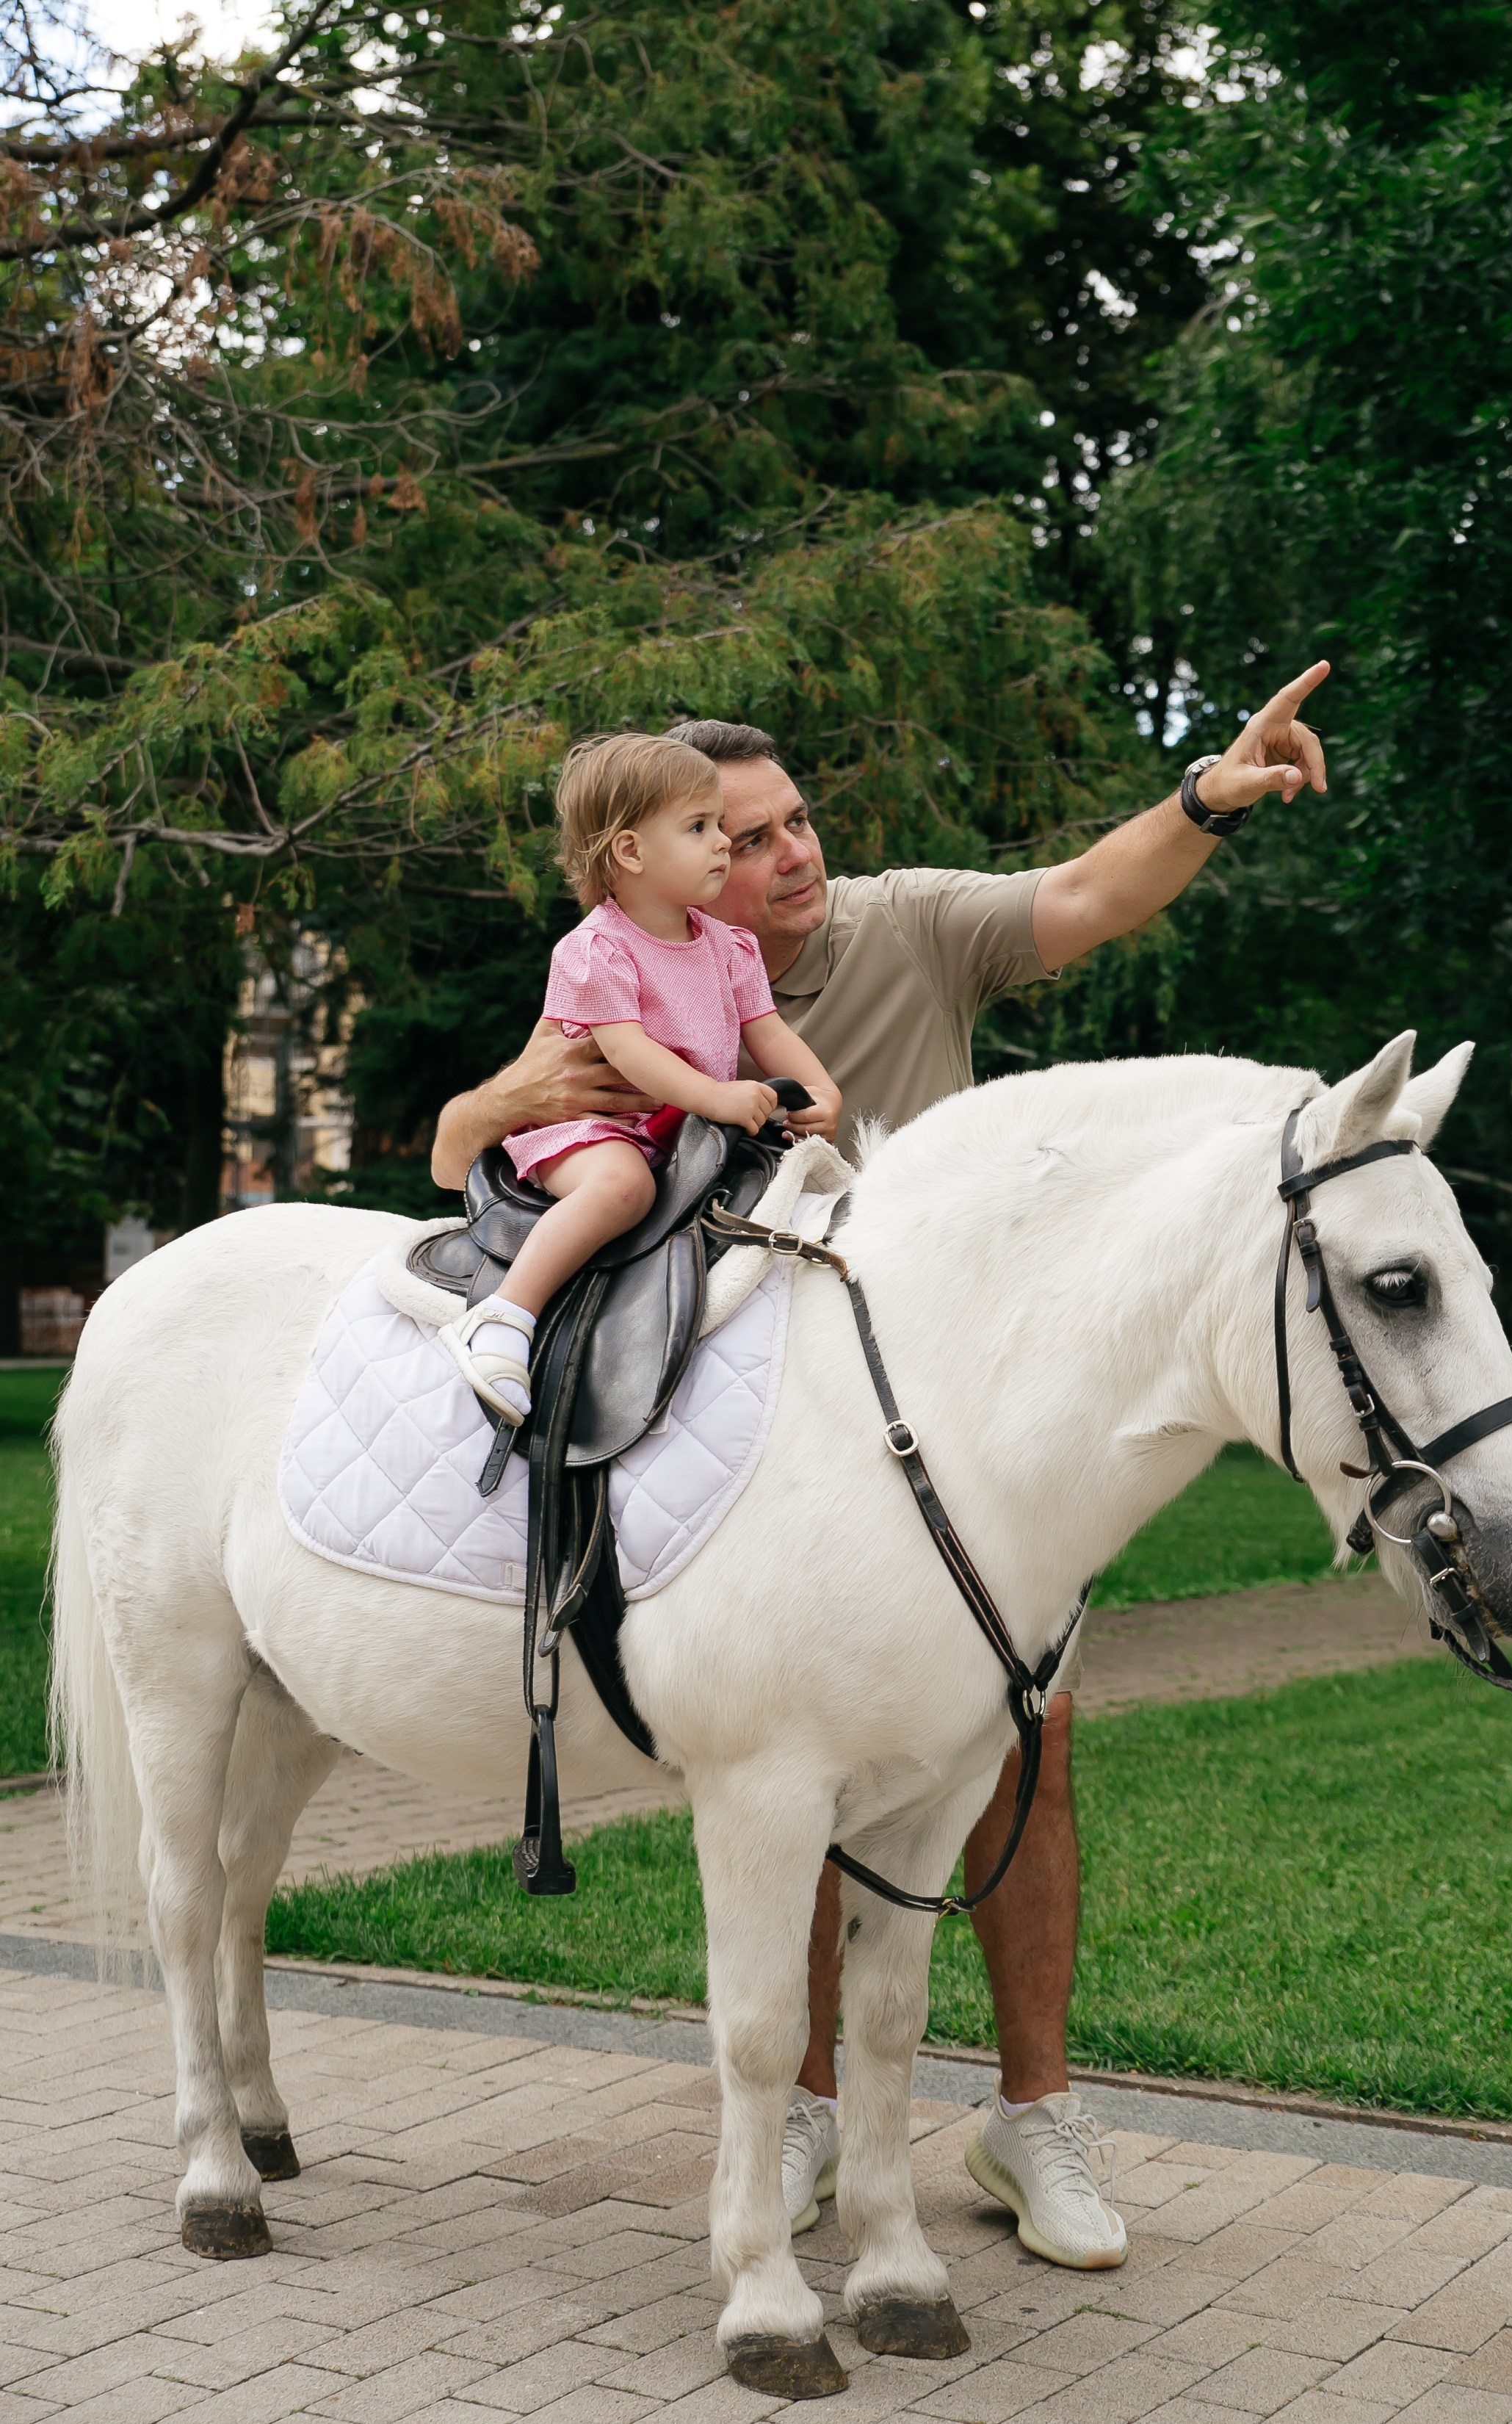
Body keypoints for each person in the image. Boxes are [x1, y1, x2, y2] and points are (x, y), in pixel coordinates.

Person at [432, 663, 1332, 2267]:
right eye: (742, 832)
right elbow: (476, 1149)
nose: (786, 854)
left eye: (793, 822)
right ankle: (799, 2111)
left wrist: (1202, 795)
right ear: (667, 846)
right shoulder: (632, 969)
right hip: (770, 1456)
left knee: (1025, 1760)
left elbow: (1079, 893)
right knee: (806, 1775)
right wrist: (501, 1096)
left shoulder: (902, 925)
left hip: (967, 1447)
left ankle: (1032, 2116)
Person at [439, 732, 839, 1424]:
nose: (721, 842)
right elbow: (627, 1052)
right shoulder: (597, 950)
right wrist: (717, 1097)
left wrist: (823, 1092)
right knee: (622, 1187)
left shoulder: (727, 947)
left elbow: (768, 1034)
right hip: (594, 1129)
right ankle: (505, 1317)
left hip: (675, 1136)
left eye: (719, 825)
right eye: (699, 827)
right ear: (630, 851)